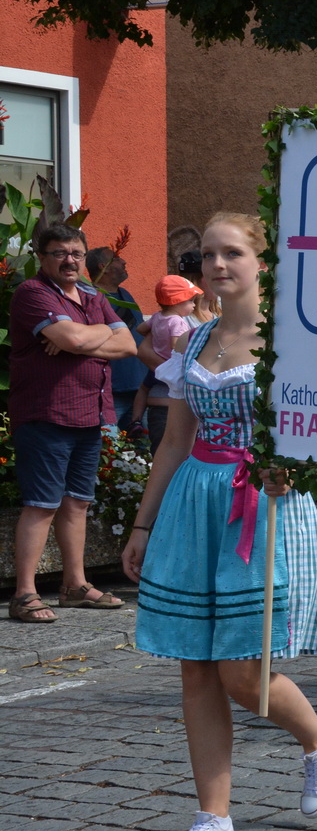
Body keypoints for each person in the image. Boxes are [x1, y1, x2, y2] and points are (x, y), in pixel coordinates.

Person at [120, 212, 317, 831]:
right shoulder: (194, 341)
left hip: (264, 507)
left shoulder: (293, 341)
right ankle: (212, 815)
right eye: (208, 254)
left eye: (232, 253)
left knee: (243, 671)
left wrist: (297, 462)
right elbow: (172, 443)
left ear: (262, 262)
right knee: (195, 664)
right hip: (197, 503)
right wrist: (142, 522)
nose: (217, 265)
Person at [8, 222, 136, 623]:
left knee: (77, 503)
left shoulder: (91, 296)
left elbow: (128, 344)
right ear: (42, 257)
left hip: (88, 414)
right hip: (47, 413)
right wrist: (92, 334)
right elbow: (81, 343)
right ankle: (25, 594)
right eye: (60, 253)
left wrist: (78, 332)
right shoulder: (32, 293)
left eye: (77, 254)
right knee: (42, 504)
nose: (70, 260)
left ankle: (74, 586)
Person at [133, 275, 205, 449]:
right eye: (191, 301)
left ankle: (135, 420)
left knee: (143, 389)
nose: (194, 305)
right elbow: (177, 346)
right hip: (171, 371)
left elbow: (140, 329)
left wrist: (156, 338)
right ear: (177, 301)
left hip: (156, 369)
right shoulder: (178, 322)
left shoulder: (158, 317)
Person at [85, 247, 148, 434]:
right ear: (104, 266)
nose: (124, 263)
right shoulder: (90, 297)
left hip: (139, 388)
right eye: (117, 259)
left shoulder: (125, 295)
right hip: (112, 391)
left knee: (142, 450)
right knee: (107, 447)